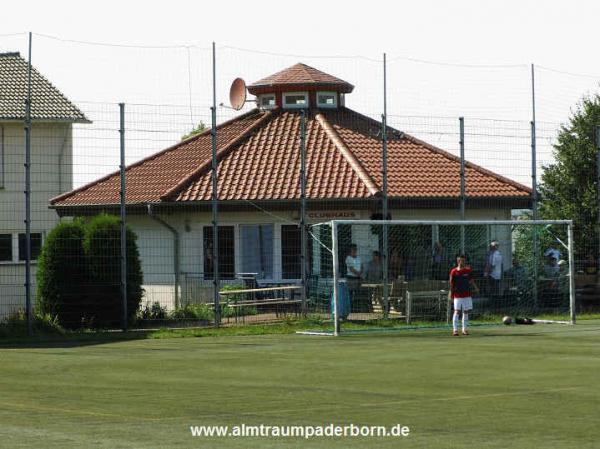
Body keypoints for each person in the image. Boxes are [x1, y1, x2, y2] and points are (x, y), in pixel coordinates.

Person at [449, 254, 479, 336]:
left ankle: (464, 330)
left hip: (467, 295)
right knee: (457, 311)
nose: (462, 262)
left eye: (463, 260)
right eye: (460, 260)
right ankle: (455, 330)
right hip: (457, 295)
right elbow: (451, 284)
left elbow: (471, 281)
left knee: (466, 312)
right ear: (457, 261)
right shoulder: (453, 271)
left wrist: (476, 288)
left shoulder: (468, 271)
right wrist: (450, 295)